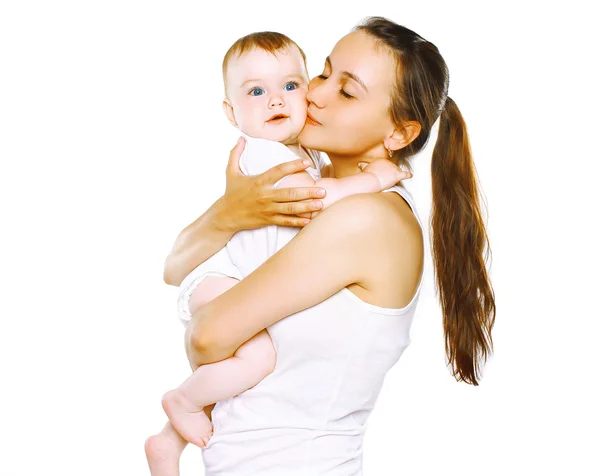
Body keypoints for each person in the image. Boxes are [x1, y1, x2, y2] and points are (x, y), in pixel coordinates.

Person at [149, 16, 496, 476]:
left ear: (398, 134)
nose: (314, 94)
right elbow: (173, 268)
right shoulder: (308, 179)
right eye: (323, 72)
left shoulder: (365, 217)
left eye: (346, 91)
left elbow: (205, 335)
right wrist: (231, 213)